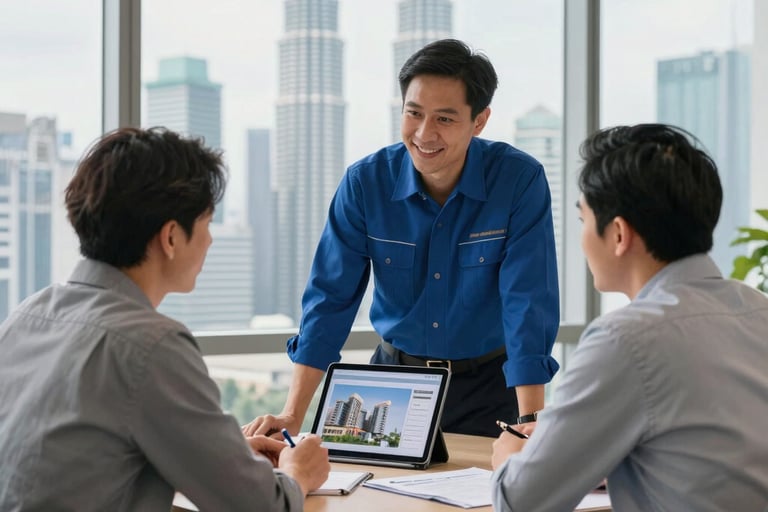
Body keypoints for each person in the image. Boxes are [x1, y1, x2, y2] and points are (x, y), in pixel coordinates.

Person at [0, 127, 330, 511]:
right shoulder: (150, 344)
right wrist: (297, 473)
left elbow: (88, 463)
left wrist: (227, 456)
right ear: (171, 238)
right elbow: (259, 507)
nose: (210, 241)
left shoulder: (27, 315)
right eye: (206, 224)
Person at [244, 38, 560, 439]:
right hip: (391, 386)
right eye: (414, 113)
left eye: (445, 119)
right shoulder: (365, 183)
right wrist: (292, 414)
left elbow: (528, 302)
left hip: (490, 390)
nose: (425, 133)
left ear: (479, 121)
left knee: (493, 498)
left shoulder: (518, 180)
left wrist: (530, 421)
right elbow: (330, 300)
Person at [491, 124, 768, 511]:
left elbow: (521, 502)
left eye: (583, 220)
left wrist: (512, 456)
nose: (582, 239)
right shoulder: (759, 311)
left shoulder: (625, 339)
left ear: (619, 234)